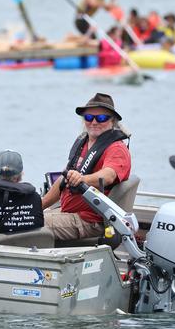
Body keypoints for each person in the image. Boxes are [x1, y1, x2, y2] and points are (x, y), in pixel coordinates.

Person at [41, 93, 131, 241]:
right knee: (24, 217)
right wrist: (41, 204)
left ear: (112, 121)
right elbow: (64, 181)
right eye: (89, 117)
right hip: (68, 213)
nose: (94, 122)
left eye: (101, 118)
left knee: (29, 224)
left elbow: (108, 176)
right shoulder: (83, 143)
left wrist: (82, 179)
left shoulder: (116, 149)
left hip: (90, 221)